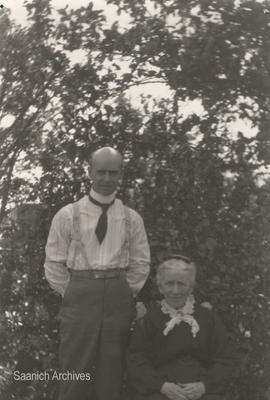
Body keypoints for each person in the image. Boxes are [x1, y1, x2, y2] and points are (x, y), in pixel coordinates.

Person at [44, 147, 150, 400]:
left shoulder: (131, 218)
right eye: (100, 171)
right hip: (79, 293)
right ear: (90, 172)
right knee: (74, 365)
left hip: (117, 296)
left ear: (121, 174)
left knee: (111, 370)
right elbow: (53, 262)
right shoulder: (68, 214)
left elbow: (141, 262)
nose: (106, 178)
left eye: (113, 172)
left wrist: (123, 291)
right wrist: (71, 291)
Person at [127, 255, 236, 400]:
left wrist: (204, 386)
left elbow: (224, 359)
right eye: (169, 284)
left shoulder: (208, 318)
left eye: (181, 284)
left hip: (202, 390)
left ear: (191, 287)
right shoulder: (149, 320)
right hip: (160, 390)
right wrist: (162, 386)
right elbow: (137, 361)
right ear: (160, 286)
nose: (175, 290)